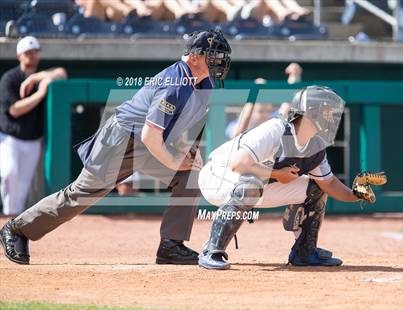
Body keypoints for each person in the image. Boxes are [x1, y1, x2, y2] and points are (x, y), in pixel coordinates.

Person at [0, 29, 231, 265]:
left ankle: (171, 245)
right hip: (122, 140)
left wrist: (185, 149)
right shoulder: (175, 84)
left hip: (151, 143)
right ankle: (17, 229)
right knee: (79, 196)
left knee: (190, 171)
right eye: (212, 55)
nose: (220, 60)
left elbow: (179, 123)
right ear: (193, 57)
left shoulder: (206, 83)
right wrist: (174, 160)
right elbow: (150, 134)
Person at [197, 86, 384, 269]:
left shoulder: (316, 145)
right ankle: (212, 250)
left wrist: (355, 194)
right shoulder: (276, 129)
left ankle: (304, 252)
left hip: (255, 184)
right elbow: (238, 164)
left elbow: (329, 184)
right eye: (327, 112)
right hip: (217, 176)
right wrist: (278, 174)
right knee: (250, 185)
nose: (332, 117)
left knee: (315, 188)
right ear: (310, 112)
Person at [0, 36, 67, 216]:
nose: (31, 55)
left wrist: (36, 78)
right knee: (9, 174)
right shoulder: (10, 78)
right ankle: (9, 215)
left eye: (34, 52)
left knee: (23, 185)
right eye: (27, 52)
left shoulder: (39, 77)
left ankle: (13, 222)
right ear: (19, 55)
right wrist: (40, 93)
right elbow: (14, 110)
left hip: (33, 141)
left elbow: (62, 73)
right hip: (9, 139)